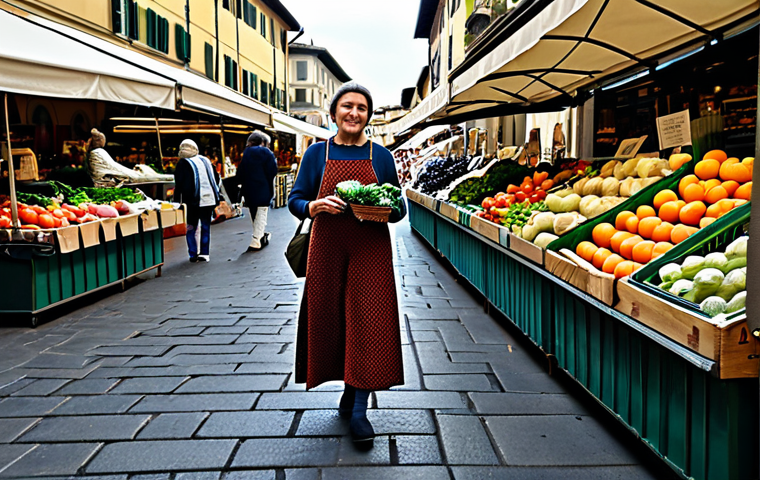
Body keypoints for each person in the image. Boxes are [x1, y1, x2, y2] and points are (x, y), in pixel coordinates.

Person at [288, 83, 407, 448]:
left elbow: (399, 207)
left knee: (368, 321)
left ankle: (358, 408)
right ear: (334, 112)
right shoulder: (316, 155)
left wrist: (388, 209)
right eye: (347, 106)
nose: (354, 113)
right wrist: (314, 206)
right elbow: (295, 199)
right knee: (332, 318)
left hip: (370, 251)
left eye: (361, 108)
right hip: (326, 249)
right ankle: (346, 387)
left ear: (368, 115)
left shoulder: (381, 156)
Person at [173, 139, 220, 262]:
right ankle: (204, 253)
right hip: (209, 200)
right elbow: (216, 177)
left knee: (191, 227)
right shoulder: (205, 160)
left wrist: (177, 202)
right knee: (205, 226)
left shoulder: (183, 163)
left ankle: (193, 253)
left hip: (193, 201)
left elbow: (179, 185)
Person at [237, 131, 277, 251]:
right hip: (263, 189)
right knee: (261, 213)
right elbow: (273, 170)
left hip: (248, 190)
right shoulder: (266, 152)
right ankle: (256, 240)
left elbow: (240, 173)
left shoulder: (246, 153)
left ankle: (260, 236)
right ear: (262, 142)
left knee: (255, 214)